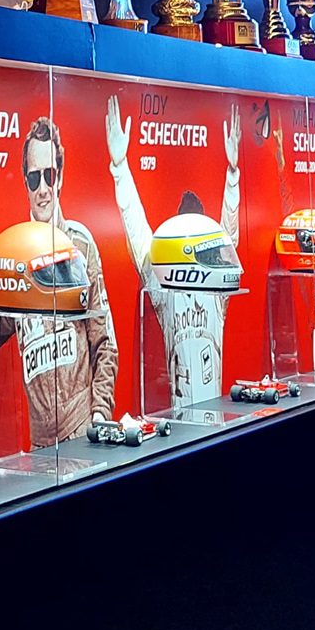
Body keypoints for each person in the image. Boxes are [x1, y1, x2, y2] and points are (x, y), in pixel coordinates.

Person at [0, 116, 118, 445]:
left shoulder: (80, 246)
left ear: (60, 176)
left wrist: (100, 416)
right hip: (40, 444)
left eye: (49, 176)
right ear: (24, 183)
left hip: (85, 427)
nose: (42, 189)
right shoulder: (17, 254)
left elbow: (104, 342)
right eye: (33, 178)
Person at [105, 97, 241, 407]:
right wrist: (120, 168)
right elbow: (138, 231)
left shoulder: (218, 286)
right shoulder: (165, 287)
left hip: (215, 415)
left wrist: (233, 176)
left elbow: (229, 231)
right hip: (176, 416)